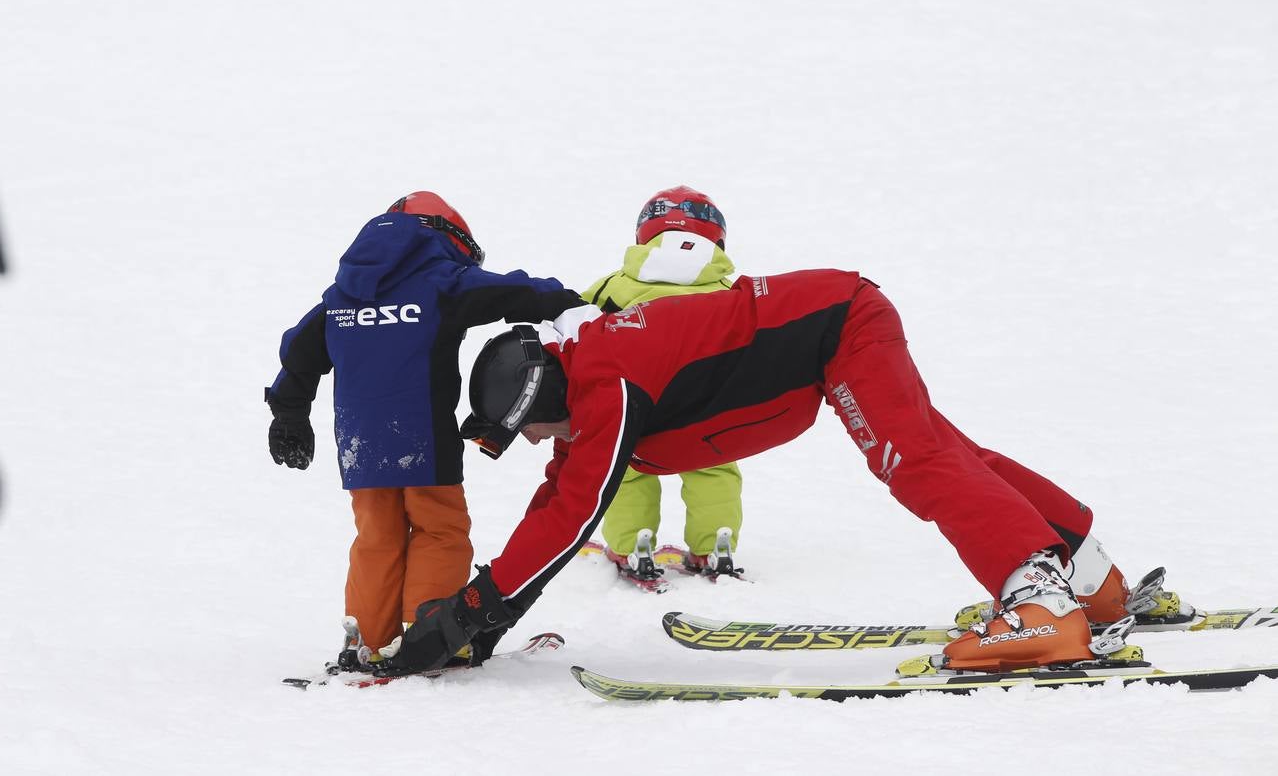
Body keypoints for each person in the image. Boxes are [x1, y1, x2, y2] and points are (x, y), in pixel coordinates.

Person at [381, 267, 1179, 677]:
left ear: (540, 392)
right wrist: (488, 618)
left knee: (914, 459)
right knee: (944, 453)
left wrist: (474, 607)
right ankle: (1092, 583)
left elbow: (569, 516)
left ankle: (1043, 612)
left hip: (838, 328)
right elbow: (561, 501)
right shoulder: (589, 390)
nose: (534, 442)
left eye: (527, 427)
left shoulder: (605, 380)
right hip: (837, 326)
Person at [265, 191, 590, 666]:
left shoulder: (340, 297)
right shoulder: (440, 281)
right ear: (447, 238)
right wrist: (563, 303)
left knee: (377, 537)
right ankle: (431, 636)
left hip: (360, 443)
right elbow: (506, 292)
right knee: (439, 529)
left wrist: (288, 414)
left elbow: (298, 351)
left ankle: (369, 643)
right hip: (422, 434)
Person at [583, 186, 744, 578]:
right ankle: (713, 546)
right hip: (710, 401)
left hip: (638, 400)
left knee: (627, 468)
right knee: (714, 466)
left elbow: (578, 325)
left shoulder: (615, 285)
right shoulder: (728, 290)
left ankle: (630, 546)